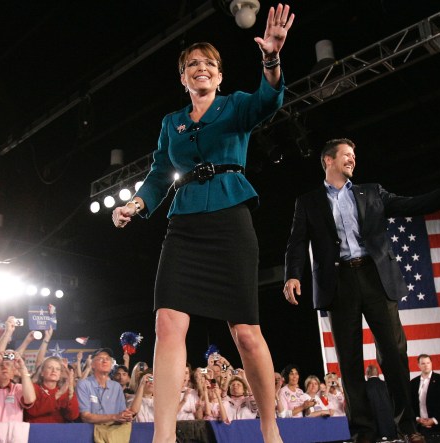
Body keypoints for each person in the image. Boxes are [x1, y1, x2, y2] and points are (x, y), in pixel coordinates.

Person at [110, 4, 294, 443]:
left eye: (209, 63)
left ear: (220, 75)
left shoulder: (235, 108)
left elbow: (269, 99)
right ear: (182, 78)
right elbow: (158, 174)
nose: (201, 68)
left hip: (230, 220)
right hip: (184, 225)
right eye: (192, 64)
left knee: (246, 334)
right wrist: (136, 204)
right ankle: (164, 436)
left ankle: (270, 430)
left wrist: (271, 57)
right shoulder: (170, 123)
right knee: (167, 323)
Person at [283, 138, 440, 443]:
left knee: (393, 353)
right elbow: (297, 242)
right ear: (328, 160)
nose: (352, 160)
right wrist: (292, 276)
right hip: (339, 284)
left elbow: (411, 204)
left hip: (376, 277)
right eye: (346, 156)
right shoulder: (308, 201)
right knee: (349, 362)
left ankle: (406, 427)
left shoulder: (372, 192)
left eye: (354, 156)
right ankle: (363, 432)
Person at [76, 348, 133, 425]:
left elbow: (122, 412)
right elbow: (85, 417)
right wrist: (115, 417)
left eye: (108, 359)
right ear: (92, 365)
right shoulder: (84, 384)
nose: (105, 361)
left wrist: (126, 416)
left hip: (113, 433)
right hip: (90, 433)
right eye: (100, 359)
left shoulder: (116, 387)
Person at [25, 356, 80, 423]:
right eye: (50, 368)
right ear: (42, 372)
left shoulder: (64, 390)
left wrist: (71, 391)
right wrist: (58, 394)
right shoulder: (33, 388)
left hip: (58, 430)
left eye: (57, 369)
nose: (54, 371)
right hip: (36, 429)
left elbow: (73, 416)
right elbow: (33, 411)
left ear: (60, 374)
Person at [410, 355, 440, 433]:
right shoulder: (413, 382)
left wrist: (434, 420)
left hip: (439, 426)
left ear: (431, 363)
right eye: (423, 363)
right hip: (419, 427)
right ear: (418, 365)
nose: (426, 365)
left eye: (428, 363)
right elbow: (410, 403)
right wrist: (417, 418)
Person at [365, 365, 397, 440]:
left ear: (367, 374)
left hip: (371, 426)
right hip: (390, 424)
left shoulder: (364, 386)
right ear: (378, 373)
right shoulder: (387, 385)